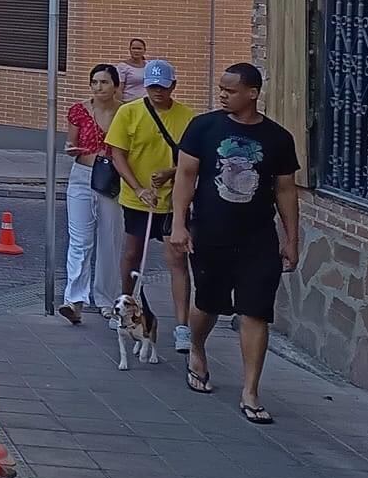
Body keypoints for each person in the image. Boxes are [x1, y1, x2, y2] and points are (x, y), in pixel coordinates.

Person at [170, 64, 300, 423]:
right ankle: (197, 347)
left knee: (255, 311)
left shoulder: (278, 138)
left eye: (230, 90)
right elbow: (185, 176)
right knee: (208, 303)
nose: (223, 95)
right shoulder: (203, 128)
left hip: (258, 237)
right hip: (210, 232)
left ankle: (251, 391)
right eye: (221, 89)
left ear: (253, 93)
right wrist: (179, 225)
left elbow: (286, 191)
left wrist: (291, 239)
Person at [105, 59, 196, 353]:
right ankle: (125, 306)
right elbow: (117, 154)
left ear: (173, 86)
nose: (158, 91)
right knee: (132, 253)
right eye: (152, 85)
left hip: (172, 199)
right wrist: (138, 188)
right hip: (138, 199)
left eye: (163, 86)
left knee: (177, 259)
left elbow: (192, 158)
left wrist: (170, 173)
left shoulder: (187, 117)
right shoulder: (129, 113)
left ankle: (182, 326)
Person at [58, 64, 124, 324]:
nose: (98, 87)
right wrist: (71, 149)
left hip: (111, 179)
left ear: (116, 86)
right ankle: (74, 300)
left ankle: (107, 300)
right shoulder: (79, 110)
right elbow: (70, 142)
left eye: (105, 82)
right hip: (82, 176)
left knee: (110, 239)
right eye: (94, 82)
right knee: (79, 239)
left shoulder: (126, 112)